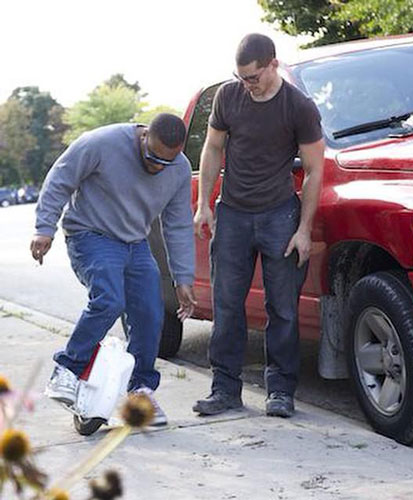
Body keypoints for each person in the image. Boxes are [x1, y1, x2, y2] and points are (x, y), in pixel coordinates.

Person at [30, 113, 196, 426]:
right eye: (152, 157)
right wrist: (44, 228)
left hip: (135, 242)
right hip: (90, 235)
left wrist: (183, 276)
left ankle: (141, 390)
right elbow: (59, 180)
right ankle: (67, 370)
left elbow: (177, 223)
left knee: (150, 311)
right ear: (144, 135)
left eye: (167, 162)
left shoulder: (180, 169)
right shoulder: (101, 143)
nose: (158, 167)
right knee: (109, 299)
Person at [192, 34, 325, 418]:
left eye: (252, 77)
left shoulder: (298, 107)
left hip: (279, 214)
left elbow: (315, 171)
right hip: (232, 213)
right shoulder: (228, 97)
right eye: (240, 77)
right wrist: (204, 204)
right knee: (227, 304)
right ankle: (225, 390)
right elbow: (213, 147)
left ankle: (280, 392)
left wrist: (303, 229)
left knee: (282, 308)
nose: (246, 84)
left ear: (272, 64)